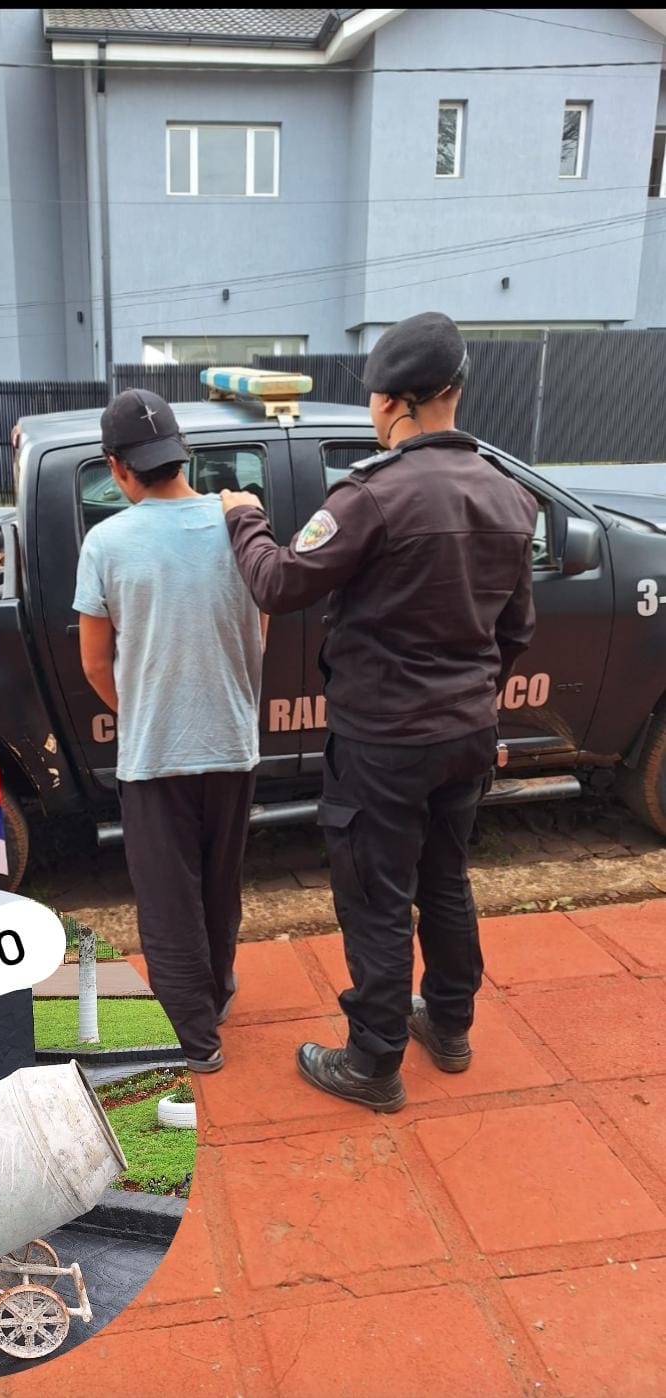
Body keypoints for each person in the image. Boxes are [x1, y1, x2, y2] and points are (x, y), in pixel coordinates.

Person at [220, 311, 537, 1112]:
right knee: (446, 879)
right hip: (467, 732)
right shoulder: (510, 495)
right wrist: (469, 694)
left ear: (393, 402)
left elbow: (279, 583)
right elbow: (516, 630)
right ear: (453, 391)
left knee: (376, 894)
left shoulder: (372, 494)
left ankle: (372, 1061)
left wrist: (244, 518)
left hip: (385, 741)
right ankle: (451, 1026)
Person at [73, 388, 265, 1072]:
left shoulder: (106, 542)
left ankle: (194, 1039)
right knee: (218, 882)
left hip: (155, 751)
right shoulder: (240, 523)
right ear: (182, 454)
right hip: (233, 743)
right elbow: (259, 632)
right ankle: (216, 992)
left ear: (116, 467)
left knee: (167, 899)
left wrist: (144, 707)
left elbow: (95, 661)